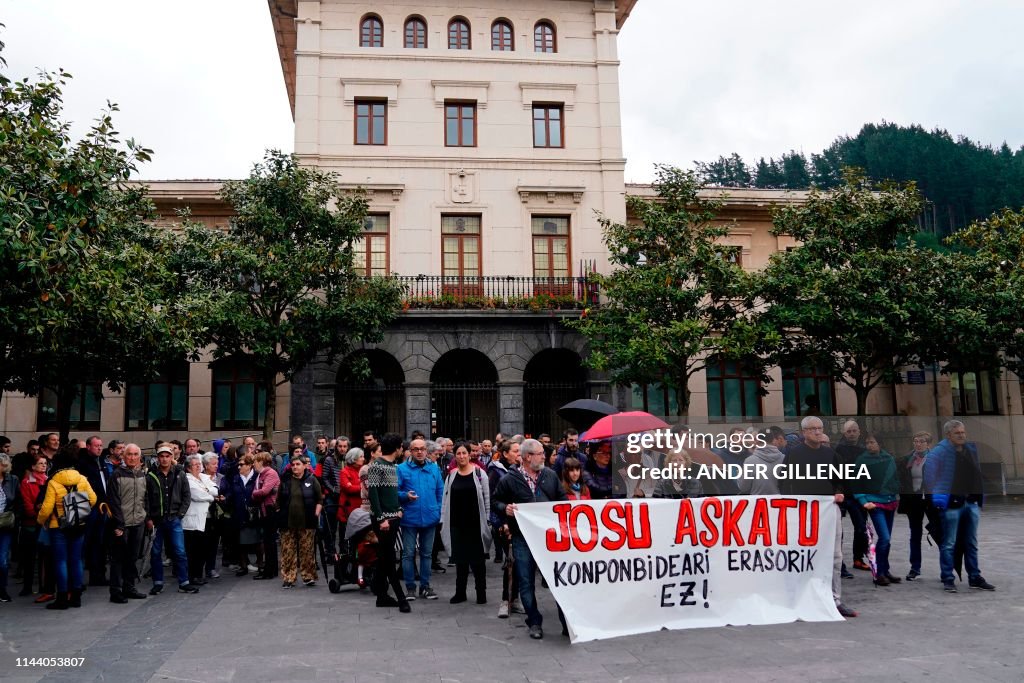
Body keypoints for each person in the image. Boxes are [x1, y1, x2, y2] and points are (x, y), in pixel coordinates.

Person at [492, 438, 567, 640]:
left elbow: (563, 501)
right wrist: (504, 508)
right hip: (522, 538)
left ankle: (566, 622)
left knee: (557, 580)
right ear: (527, 457)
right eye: (540, 453)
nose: (544, 455)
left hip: (549, 538)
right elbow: (495, 501)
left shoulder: (550, 476)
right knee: (525, 581)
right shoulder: (510, 479)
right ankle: (534, 621)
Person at [782, 416, 856, 618]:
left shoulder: (830, 453)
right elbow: (785, 482)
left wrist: (840, 492)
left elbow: (840, 479)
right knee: (804, 554)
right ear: (804, 432)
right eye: (812, 429)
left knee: (835, 555)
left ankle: (835, 599)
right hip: (803, 511)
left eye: (819, 428)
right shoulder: (794, 454)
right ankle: (800, 597)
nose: (816, 432)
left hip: (828, 510)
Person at [924, 420, 995, 593]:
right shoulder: (938, 453)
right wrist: (938, 502)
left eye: (963, 432)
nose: (962, 435)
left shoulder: (970, 450)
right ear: (948, 435)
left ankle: (974, 577)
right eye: (957, 433)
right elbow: (930, 479)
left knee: (971, 543)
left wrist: (978, 496)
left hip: (970, 502)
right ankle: (948, 578)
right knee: (949, 543)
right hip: (950, 505)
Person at [36, 452, 97, 609]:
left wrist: (41, 521)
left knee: (60, 561)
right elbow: (93, 499)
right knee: (76, 560)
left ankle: (62, 598)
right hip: (78, 523)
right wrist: (81, 510)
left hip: (59, 526)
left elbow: (47, 508)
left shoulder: (54, 481)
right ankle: (76, 596)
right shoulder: (82, 478)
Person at [441, 442, 492, 604]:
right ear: (455, 456)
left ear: (470, 454)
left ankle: (481, 593)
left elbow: (487, 498)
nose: (461, 456)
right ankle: (460, 592)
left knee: (478, 561)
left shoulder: (479, 473)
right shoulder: (451, 475)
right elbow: (445, 499)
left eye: (464, 453)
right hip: (457, 523)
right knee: (460, 560)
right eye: (458, 454)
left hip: (475, 524)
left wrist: (488, 519)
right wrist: (443, 519)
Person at [366, 432, 411, 612]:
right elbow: (374, 494)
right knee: (389, 559)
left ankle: (381, 596)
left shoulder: (393, 466)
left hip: (393, 518)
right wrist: (381, 518)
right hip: (384, 521)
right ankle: (401, 598)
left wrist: (399, 509)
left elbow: (390, 494)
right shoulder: (377, 466)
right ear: (397, 447)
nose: (402, 450)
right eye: (401, 446)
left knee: (385, 558)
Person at [146, 444, 198, 595]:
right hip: (157, 519)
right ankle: (158, 582)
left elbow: (186, 496)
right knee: (156, 552)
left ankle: (184, 582)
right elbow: (146, 498)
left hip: (174, 517)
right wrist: (149, 517)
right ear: (157, 458)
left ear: (172, 457)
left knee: (180, 551)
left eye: (167, 456)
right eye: (161, 456)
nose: (164, 459)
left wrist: (180, 514)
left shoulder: (179, 473)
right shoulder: (151, 475)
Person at [397, 437, 443, 601]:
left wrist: (438, 510)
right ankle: (410, 587)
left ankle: (425, 586)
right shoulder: (401, 469)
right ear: (410, 450)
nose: (419, 452)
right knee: (408, 554)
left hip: (430, 517)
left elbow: (440, 491)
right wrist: (404, 496)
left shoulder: (434, 469)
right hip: (410, 517)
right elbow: (395, 492)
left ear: (426, 450)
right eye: (416, 449)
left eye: (422, 448)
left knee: (427, 554)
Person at [852, 434, 901, 586]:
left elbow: (894, 478)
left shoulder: (889, 458)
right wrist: (863, 500)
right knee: (884, 538)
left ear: (879, 443)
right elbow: (855, 483)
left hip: (890, 502)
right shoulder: (862, 460)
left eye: (872, 442)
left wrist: (896, 493)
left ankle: (885, 570)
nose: (869, 445)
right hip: (875, 504)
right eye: (867, 442)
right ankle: (879, 573)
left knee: (887, 540)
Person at [106, 444, 149, 603]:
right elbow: (113, 501)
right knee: (118, 558)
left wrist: (146, 517)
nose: (132, 457)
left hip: (138, 522)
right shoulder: (116, 475)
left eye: (135, 454)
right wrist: (118, 524)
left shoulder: (143, 475)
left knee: (132, 557)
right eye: (129, 454)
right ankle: (116, 591)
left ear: (140, 457)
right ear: (124, 456)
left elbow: (146, 498)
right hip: (121, 524)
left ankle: (129, 587)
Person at [897, 431, 941, 581]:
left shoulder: (935, 458)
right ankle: (915, 568)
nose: (918, 444)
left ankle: (946, 568)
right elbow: (902, 479)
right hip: (914, 501)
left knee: (938, 532)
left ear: (928, 444)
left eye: (921, 441)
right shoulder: (907, 459)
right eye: (916, 441)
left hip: (930, 500)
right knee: (915, 534)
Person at [277, 455, 323, 588]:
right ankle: (289, 578)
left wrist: (316, 513)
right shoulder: (285, 480)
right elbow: (278, 500)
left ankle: (308, 576)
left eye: (298, 464)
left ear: (305, 466)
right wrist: (279, 511)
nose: (295, 467)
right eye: (293, 465)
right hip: (287, 522)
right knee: (288, 551)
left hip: (307, 522)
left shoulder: (312, 480)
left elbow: (319, 500)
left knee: (307, 550)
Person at [488, 439, 519, 614]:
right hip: (505, 524)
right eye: (515, 451)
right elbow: (494, 500)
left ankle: (516, 598)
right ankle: (505, 600)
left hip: (522, 523)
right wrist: (503, 521)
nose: (519, 454)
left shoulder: (522, 471)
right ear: (506, 453)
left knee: (520, 564)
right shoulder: (496, 472)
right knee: (510, 562)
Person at [834, 419, 870, 572]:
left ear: (859, 432)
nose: (852, 433)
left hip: (859, 494)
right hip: (843, 493)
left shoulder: (864, 449)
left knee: (861, 527)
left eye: (854, 430)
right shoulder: (838, 450)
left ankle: (858, 558)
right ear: (844, 433)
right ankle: (839, 562)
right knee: (838, 530)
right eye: (849, 431)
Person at [76, 435, 110, 587]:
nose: (99, 448)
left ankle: (97, 576)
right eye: (96, 445)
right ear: (88, 447)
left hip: (103, 507)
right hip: (89, 508)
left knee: (100, 543)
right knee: (85, 543)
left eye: (101, 445)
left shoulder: (101, 461)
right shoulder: (82, 463)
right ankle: (78, 579)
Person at [222, 453, 259, 576]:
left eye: (241, 465)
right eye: (238, 465)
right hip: (240, 512)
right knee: (241, 540)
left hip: (255, 513)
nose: (239, 467)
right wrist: (225, 498)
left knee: (258, 539)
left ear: (249, 465)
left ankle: (261, 564)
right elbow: (231, 493)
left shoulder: (257, 477)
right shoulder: (236, 478)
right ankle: (243, 566)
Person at [182, 454, 217, 587]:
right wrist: (211, 496)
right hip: (193, 521)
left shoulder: (203, 477)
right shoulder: (188, 480)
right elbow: (198, 495)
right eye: (195, 465)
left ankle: (198, 574)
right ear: (188, 468)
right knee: (192, 550)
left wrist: (208, 492)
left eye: (199, 464)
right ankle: (192, 576)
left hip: (206, 519)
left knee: (203, 549)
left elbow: (215, 489)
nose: (198, 467)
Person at [17, 453, 48, 597]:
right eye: (41, 463)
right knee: (29, 557)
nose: (44, 465)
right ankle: (27, 586)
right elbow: (27, 504)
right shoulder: (26, 482)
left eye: (45, 463)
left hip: (44, 524)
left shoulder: (48, 481)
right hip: (30, 524)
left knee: (44, 557)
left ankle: (43, 586)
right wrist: (38, 513)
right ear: (33, 466)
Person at [251, 451, 281, 580]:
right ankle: (270, 569)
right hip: (265, 509)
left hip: (270, 509)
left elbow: (264, 491)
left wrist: (255, 493)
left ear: (261, 461)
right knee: (268, 541)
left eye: (255, 461)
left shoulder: (270, 473)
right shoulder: (261, 475)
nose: (253, 464)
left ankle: (270, 570)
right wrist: (258, 493)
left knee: (270, 541)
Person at [738, 427, 787, 495]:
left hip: (758, 502)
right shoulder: (785, 459)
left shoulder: (750, 461)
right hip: (780, 502)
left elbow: (743, 487)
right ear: (773, 440)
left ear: (757, 440)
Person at [337, 447, 364, 548]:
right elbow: (349, 489)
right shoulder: (345, 472)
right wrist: (363, 487)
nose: (363, 459)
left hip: (360, 510)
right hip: (347, 510)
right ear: (354, 458)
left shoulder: (363, 470)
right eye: (361, 457)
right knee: (346, 538)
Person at [0, 453, 18, 602]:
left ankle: (2, 589)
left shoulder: (12, 480)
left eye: (5, 465)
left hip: (5, 524)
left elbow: (17, 500)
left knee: (3, 560)